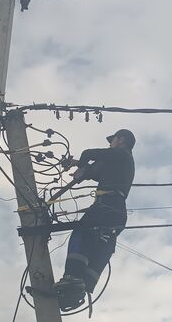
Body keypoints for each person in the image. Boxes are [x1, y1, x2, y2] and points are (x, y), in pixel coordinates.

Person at [54, 129, 136, 311]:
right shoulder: (118, 163)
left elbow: (89, 154)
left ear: (121, 140)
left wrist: (80, 162)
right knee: (102, 244)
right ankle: (83, 286)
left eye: (112, 140)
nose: (110, 144)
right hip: (117, 211)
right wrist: (78, 167)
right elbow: (93, 171)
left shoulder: (121, 154)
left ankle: (72, 278)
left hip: (106, 205)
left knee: (82, 233)